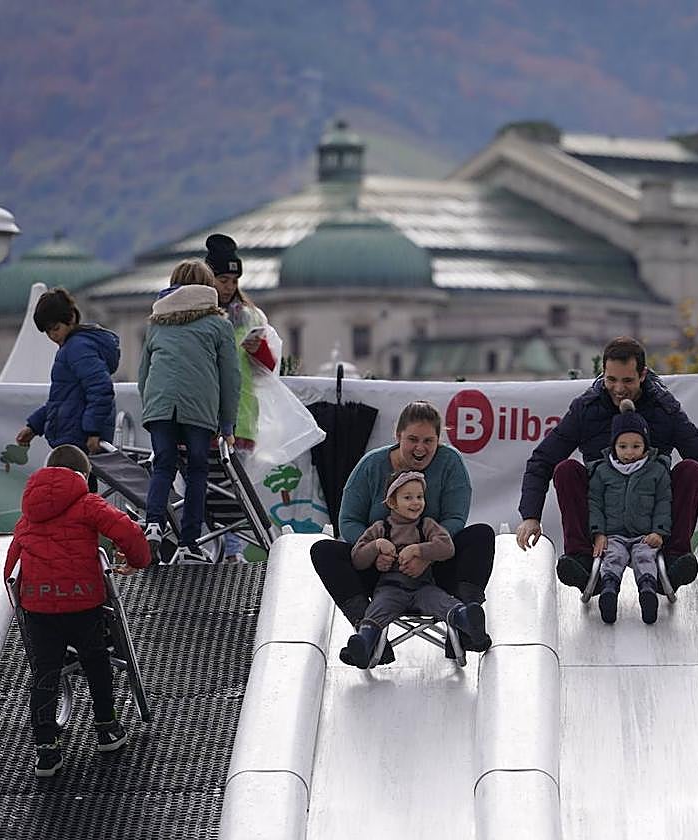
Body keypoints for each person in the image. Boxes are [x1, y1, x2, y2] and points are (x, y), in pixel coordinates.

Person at [515, 336, 698, 593]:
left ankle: (675, 558)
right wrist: (531, 516)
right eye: (611, 380)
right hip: (604, 511)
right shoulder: (587, 409)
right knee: (566, 470)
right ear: (603, 373)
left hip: (652, 513)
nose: (618, 389)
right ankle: (582, 559)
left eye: (627, 380)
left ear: (642, 375)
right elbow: (542, 460)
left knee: (692, 469)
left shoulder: (663, 409)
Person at [3, 444, 151, 778]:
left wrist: (22, 603)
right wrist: (137, 560)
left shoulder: (28, 515)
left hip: (39, 609)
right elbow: (127, 530)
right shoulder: (87, 503)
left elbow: (11, 565)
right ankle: (106, 728)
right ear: (84, 476)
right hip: (83, 602)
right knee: (96, 661)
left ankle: (46, 751)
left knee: (44, 674)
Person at [310, 401, 495, 662]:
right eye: (413, 439)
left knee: (481, 535)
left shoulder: (450, 462)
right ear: (398, 436)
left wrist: (425, 553)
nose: (420, 448)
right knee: (324, 550)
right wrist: (376, 550)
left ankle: (468, 625)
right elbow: (349, 521)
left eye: (429, 441)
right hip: (381, 570)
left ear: (439, 440)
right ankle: (367, 634)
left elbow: (455, 518)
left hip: (432, 567)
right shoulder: (372, 465)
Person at [137, 259, 240, 565]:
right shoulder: (219, 325)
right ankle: (189, 543)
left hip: (160, 405)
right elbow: (230, 378)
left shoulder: (156, 324)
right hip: (199, 408)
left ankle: (153, 524)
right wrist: (227, 424)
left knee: (163, 466)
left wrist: (153, 406)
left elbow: (144, 374)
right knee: (197, 471)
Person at [340, 471, 489, 668]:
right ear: (392, 503)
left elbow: (447, 548)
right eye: (408, 497)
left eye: (419, 497)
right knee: (377, 610)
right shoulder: (380, 528)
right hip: (390, 588)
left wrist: (420, 549)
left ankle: (468, 620)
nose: (416, 502)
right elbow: (357, 559)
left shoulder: (426, 525)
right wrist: (376, 546)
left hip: (423, 587)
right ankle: (363, 643)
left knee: (443, 602)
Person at [205, 233, 277, 563]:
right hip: (206, 413)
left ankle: (231, 550)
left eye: (234, 280)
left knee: (235, 490)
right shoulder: (198, 316)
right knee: (208, 489)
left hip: (242, 414)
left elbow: (269, 367)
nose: (229, 286)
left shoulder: (248, 316)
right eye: (223, 279)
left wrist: (257, 349)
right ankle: (215, 549)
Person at [588, 399, 672, 625]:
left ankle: (647, 592)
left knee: (645, 556)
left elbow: (664, 502)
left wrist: (659, 531)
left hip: (644, 534)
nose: (629, 452)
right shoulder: (603, 471)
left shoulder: (655, 471)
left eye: (636, 446)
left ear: (645, 446)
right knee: (613, 556)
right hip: (614, 533)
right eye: (622, 446)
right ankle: (609, 592)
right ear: (614, 446)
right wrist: (599, 532)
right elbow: (594, 502)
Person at [16, 288, 120, 458]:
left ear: (71, 318)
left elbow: (101, 389)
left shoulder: (77, 348)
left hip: (79, 439)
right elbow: (62, 399)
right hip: (76, 437)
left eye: (55, 328)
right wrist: (34, 426)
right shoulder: (74, 347)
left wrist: (93, 431)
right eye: (47, 331)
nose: (52, 336)